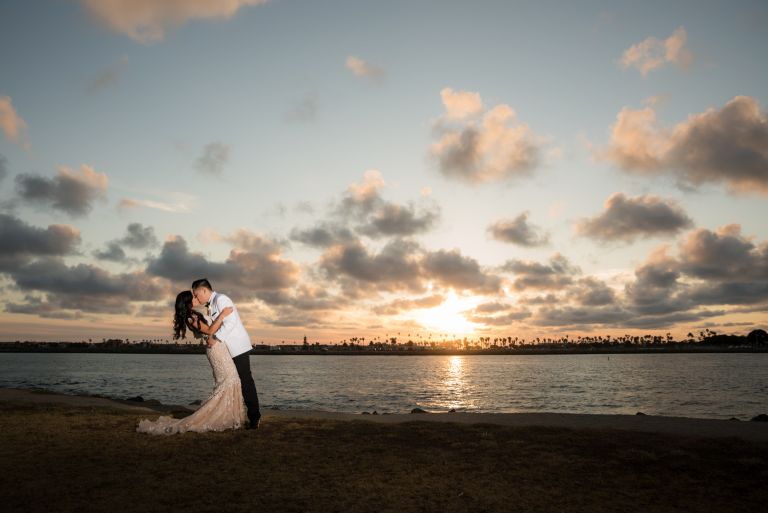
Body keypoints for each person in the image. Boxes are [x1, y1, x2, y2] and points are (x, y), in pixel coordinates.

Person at [137, 291, 246, 435]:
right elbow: (209, 330)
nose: (197, 298)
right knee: (230, 380)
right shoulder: (191, 317)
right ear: (188, 302)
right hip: (217, 350)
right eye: (193, 297)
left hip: (218, 347)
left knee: (229, 381)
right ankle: (218, 416)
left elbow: (202, 331)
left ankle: (228, 415)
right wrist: (223, 315)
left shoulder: (193, 315)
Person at [191, 278, 261, 429]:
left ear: (204, 290)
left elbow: (231, 322)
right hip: (226, 348)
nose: (196, 298)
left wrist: (215, 337)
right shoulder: (210, 303)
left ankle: (255, 417)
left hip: (237, 346)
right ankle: (234, 414)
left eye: (196, 294)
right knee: (235, 381)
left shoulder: (221, 299)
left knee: (245, 380)